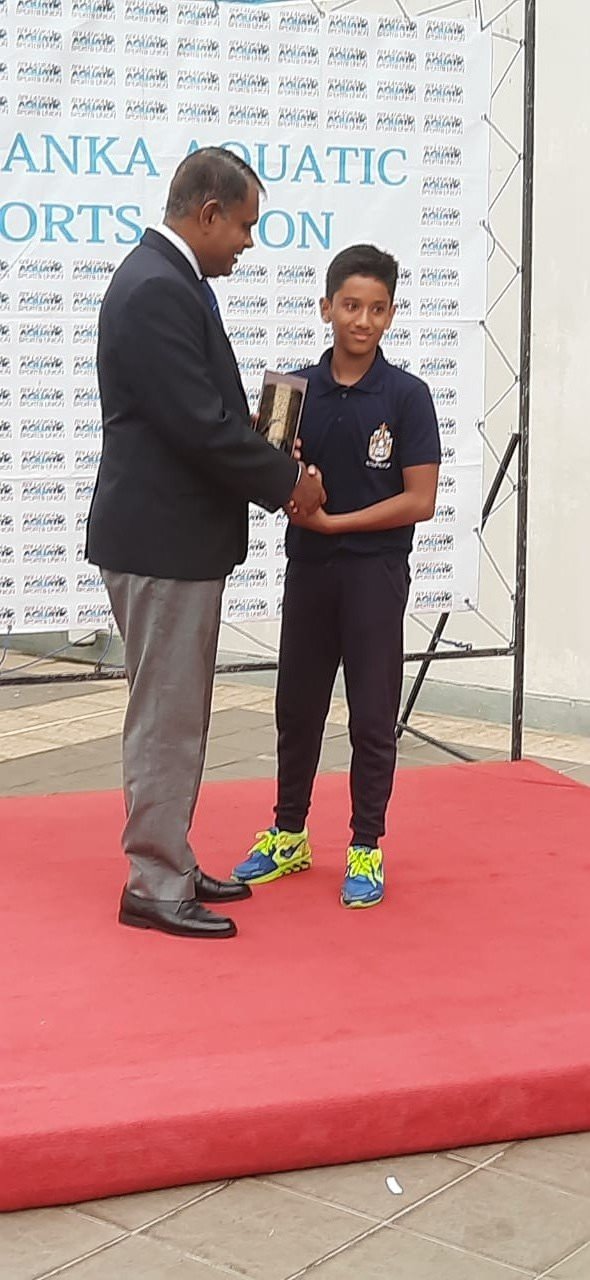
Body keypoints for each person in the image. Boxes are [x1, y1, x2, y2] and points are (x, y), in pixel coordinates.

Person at [86, 147, 325, 939]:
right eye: (245, 226)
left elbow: (194, 413)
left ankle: (173, 862)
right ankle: (154, 882)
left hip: (173, 540)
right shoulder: (158, 286)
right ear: (209, 212)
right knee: (167, 717)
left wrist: (256, 435)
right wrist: (286, 481)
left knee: (178, 712)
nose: (249, 243)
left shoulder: (170, 280)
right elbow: (195, 427)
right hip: (162, 543)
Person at [232, 244, 440, 908]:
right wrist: (285, 474)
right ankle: (288, 833)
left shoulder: (408, 396)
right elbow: (264, 486)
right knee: (297, 709)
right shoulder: (290, 392)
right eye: (350, 305)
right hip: (310, 571)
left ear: (391, 314)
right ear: (326, 308)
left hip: (375, 574)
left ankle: (366, 846)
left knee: (373, 717)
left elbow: (420, 500)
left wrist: (337, 522)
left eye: (377, 309)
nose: (362, 320)